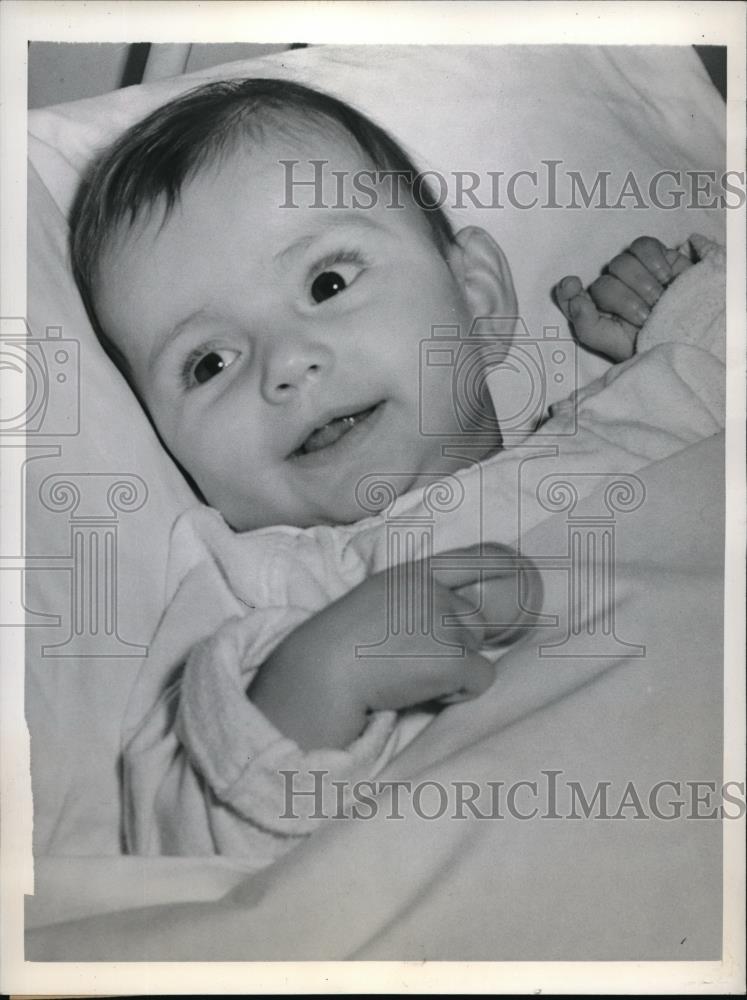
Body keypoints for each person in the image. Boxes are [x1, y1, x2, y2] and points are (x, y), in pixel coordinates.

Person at [69, 78, 724, 861]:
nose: (286, 365)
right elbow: (178, 867)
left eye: (327, 283)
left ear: (475, 297)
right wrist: (307, 686)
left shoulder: (645, 413)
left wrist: (690, 307)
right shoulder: (259, 592)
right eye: (208, 362)